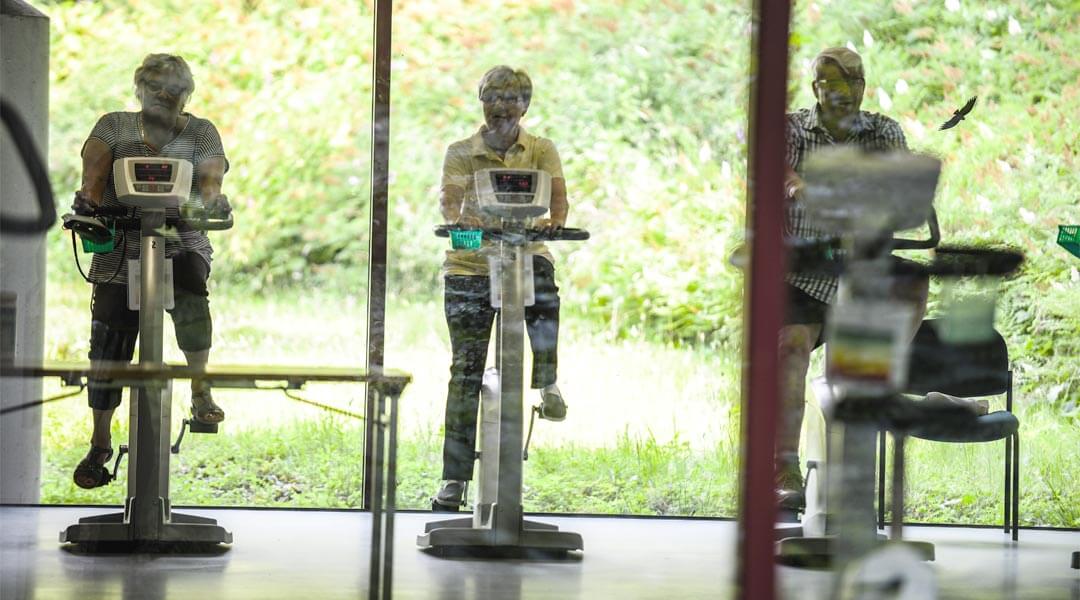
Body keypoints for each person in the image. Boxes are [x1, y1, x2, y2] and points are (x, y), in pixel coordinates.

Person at [777, 47, 939, 510]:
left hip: (861, 266)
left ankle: (871, 402)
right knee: (790, 347)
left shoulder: (883, 132)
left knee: (910, 286)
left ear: (864, 88)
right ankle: (784, 467)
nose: (841, 95)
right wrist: (795, 184)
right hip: (805, 272)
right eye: (830, 86)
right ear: (816, 90)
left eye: (851, 85)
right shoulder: (793, 130)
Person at [71, 53, 231, 489]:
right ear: (139, 89)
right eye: (156, 89)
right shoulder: (116, 125)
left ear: (186, 94)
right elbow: (95, 168)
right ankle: (100, 441)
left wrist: (211, 198)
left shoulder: (200, 132)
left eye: (174, 91)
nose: (164, 98)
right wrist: (89, 198)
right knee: (109, 333)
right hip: (120, 240)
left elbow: (212, 177)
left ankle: (200, 389)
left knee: (191, 291)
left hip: (180, 236)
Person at [433, 66, 569, 509]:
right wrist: (462, 220)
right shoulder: (461, 152)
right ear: (482, 102)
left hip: (525, 252)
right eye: (493, 98)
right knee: (466, 372)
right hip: (471, 257)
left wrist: (556, 221)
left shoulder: (541, 149)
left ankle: (547, 382)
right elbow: (450, 204)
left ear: (526, 106)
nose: (502, 109)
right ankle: (454, 479)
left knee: (542, 279)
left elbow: (558, 197)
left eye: (512, 100)